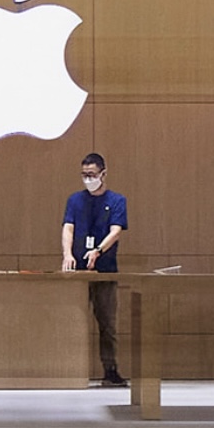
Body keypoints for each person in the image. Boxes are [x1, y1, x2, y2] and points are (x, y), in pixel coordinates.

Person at [61, 152, 129, 388]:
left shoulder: (117, 200)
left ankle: (110, 370)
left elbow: (116, 231)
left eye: (91, 175)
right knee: (72, 321)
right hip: (77, 273)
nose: (88, 179)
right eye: (84, 175)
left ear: (103, 174)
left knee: (107, 324)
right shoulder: (75, 200)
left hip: (105, 271)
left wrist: (98, 250)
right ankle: (68, 370)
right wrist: (67, 254)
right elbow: (68, 228)